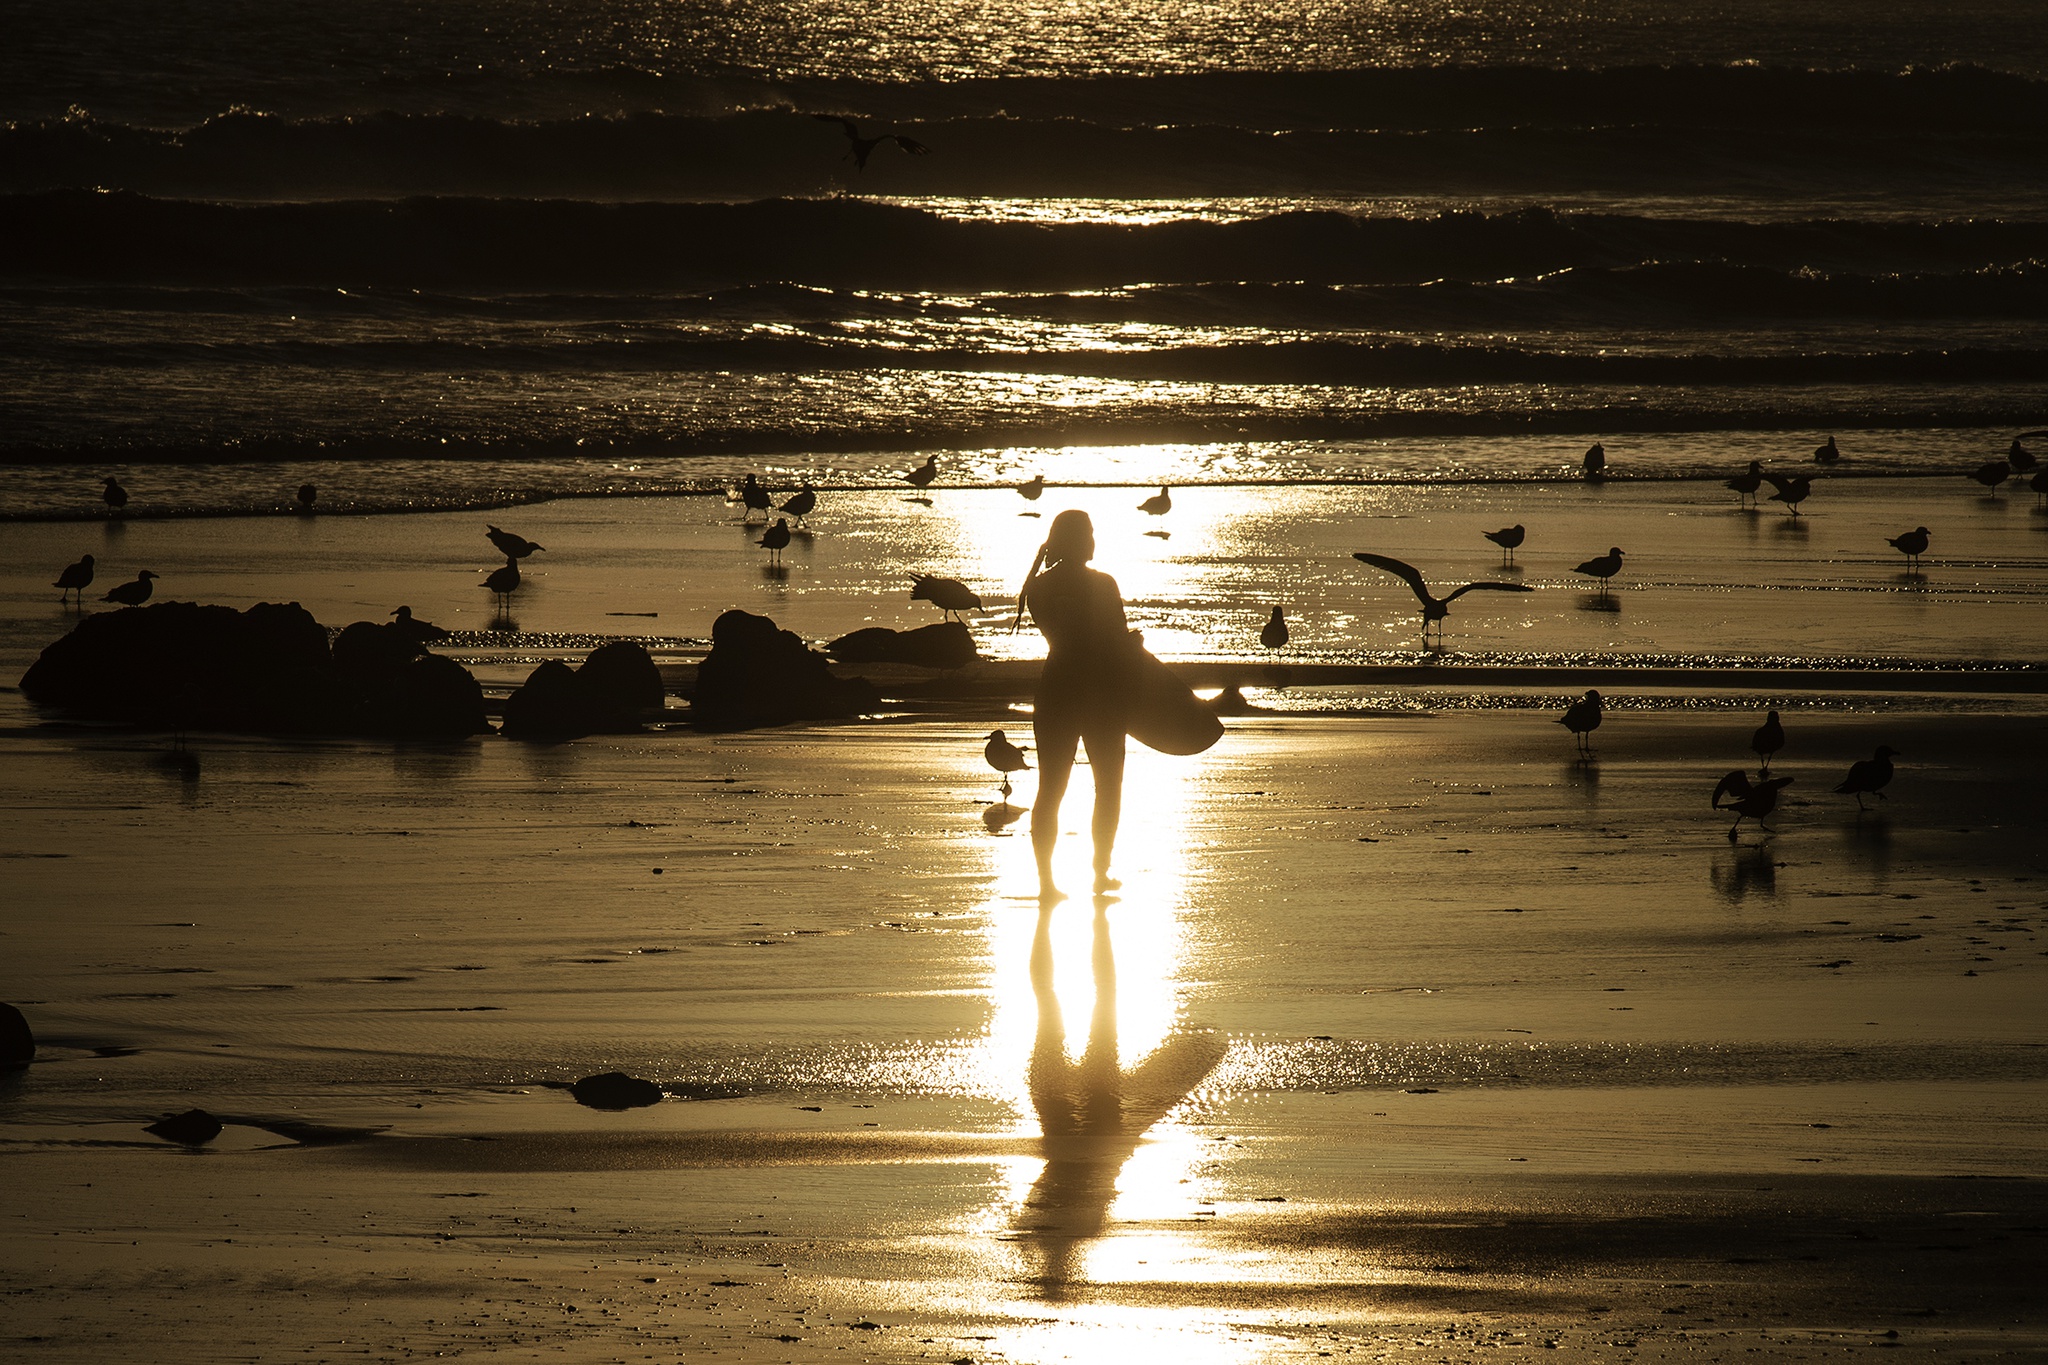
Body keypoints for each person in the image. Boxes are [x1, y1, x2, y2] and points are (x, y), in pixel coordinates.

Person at [1015, 510, 1129, 899]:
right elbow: (1114, 641)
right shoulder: (1103, 584)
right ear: (1080, 540)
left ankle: (1047, 882)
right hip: (1101, 694)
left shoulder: (1038, 588)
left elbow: (1065, 634)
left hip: (1056, 690)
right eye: (1091, 533)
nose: (1095, 540)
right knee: (1109, 786)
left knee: (1050, 789)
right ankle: (1100, 873)